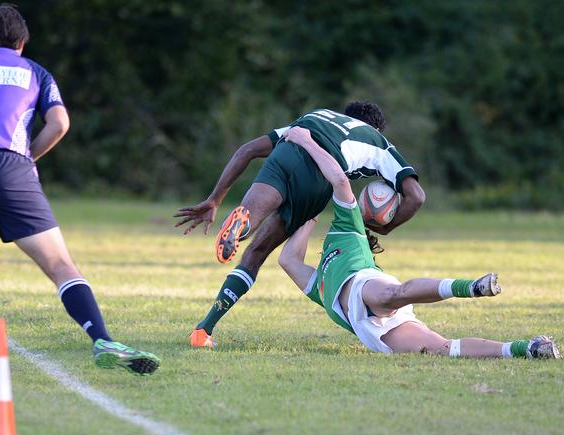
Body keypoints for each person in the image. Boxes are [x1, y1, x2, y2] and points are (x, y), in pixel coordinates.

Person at [0, 5, 159, 374]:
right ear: (23, 42)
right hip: (13, 170)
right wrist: (29, 156)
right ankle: (102, 339)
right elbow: (59, 122)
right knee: (60, 265)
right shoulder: (35, 73)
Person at [276, 126, 560, 359]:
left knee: (393, 294)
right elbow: (287, 260)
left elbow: (339, 180)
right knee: (443, 349)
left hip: (367, 285)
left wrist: (306, 140)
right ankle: (530, 349)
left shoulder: (347, 229)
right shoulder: (323, 289)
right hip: (370, 330)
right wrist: (309, 213)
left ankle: (472, 287)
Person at [175, 102, 425, 348]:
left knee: (251, 219)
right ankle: (202, 330)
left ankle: (240, 227)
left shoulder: (321, 116)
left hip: (286, 154)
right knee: (256, 253)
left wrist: (214, 199)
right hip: (317, 177)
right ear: (376, 129)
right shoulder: (378, 141)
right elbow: (416, 196)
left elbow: (247, 150)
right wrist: (384, 229)